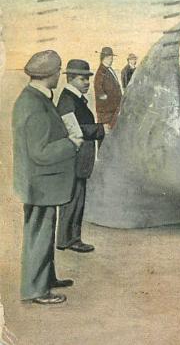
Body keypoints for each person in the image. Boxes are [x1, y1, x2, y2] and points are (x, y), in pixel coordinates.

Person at [12, 50, 82, 304]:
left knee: (43, 234)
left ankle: (46, 279)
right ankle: (36, 290)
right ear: (49, 74)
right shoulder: (33, 104)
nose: (60, 75)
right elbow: (41, 152)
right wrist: (71, 143)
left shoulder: (35, 98)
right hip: (40, 183)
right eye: (58, 71)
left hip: (39, 183)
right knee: (40, 236)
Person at [56, 59, 105, 253]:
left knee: (76, 198)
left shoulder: (73, 98)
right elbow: (74, 130)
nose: (87, 82)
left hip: (78, 159)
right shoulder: (68, 100)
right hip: (74, 158)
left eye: (87, 78)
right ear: (70, 78)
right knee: (73, 199)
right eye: (82, 79)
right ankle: (69, 239)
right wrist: (101, 130)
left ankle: (69, 239)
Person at [94, 46, 122, 130]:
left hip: (113, 112)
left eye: (111, 57)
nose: (111, 59)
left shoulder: (109, 70)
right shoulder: (101, 72)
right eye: (109, 57)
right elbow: (100, 94)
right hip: (107, 114)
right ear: (104, 58)